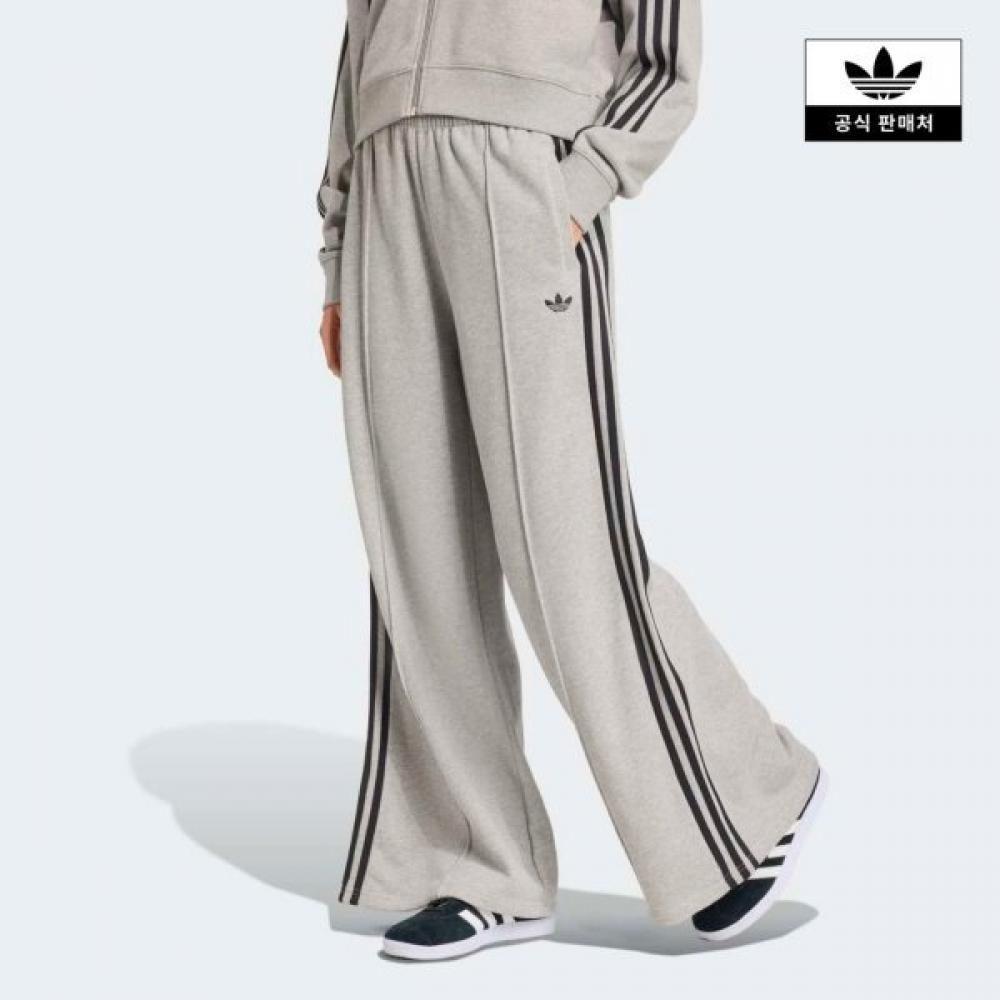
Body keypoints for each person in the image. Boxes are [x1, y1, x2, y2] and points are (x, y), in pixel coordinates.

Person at [316, 0, 823, 962]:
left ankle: (745, 801)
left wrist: (578, 185)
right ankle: (483, 868)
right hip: (386, 182)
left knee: (566, 540)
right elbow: (356, 49)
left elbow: (664, 54)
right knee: (420, 553)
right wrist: (341, 251)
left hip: (522, 175)